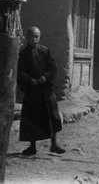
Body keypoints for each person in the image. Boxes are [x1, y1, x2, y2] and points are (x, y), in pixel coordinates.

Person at [17, 26, 65, 155]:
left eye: (37, 36)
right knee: (32, 118)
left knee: (52, 116)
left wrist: (45, 77)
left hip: (45, 90)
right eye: (33, 36)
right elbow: (20, 71)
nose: (35, 39)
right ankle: (32, 147)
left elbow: (53, 67)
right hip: (32, 91)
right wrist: (29, 79)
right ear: (27, 37)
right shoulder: (23, 54)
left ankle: (54, 144)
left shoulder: (45, 51)